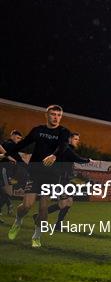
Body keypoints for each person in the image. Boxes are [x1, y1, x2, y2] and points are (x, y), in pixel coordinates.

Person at [7, 105, 70, 248]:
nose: (55, 117)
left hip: (52, 175)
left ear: (61, 117)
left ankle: (36, 236)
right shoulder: (38, 130)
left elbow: (63, 146)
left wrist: (54, 155)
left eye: (58, 115)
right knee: (27, 205)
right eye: (53, 114)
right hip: (35, 173)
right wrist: (5, 154)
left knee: (43, 207)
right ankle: (18, 220)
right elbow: (23, 143)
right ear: (46, 115)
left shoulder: (63, 132)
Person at [33, 132, 93, 231]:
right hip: (61, 180)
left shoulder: (69, 149)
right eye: (75, 139)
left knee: (69, 202)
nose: (77, 141)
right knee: (63, 203)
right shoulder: (66, 148)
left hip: (67, 179)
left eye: (78, 139)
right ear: (69, 139)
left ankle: (58, 225)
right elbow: (77, 159)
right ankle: (39, 216)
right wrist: (88, 160)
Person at [0, 130, 24, 216]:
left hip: (7, 171)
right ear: (12, 135)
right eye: (17, 138)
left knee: (6, 192)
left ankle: (8, 206)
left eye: (19, 139)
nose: (18, 140)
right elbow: (17, 157)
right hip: (4, 170)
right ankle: (9, 205)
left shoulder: (7, 144)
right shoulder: (9, 144)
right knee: (7, 193)